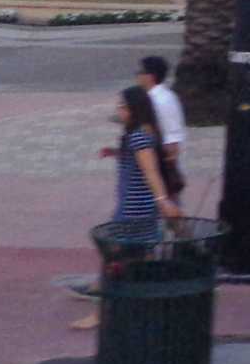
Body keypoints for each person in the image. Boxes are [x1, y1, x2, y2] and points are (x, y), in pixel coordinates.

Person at [73, 86, 182, 330]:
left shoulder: (139, 136)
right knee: (139, 258)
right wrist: (116, 153)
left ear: (134, 109)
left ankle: (102, 313)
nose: (118, 111)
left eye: (122, 106)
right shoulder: (143, 133)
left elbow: (150, 171)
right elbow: (143, 162)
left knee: (115, 259)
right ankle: (151, 306)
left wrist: (163, 200)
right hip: (138, 208)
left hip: (134, 209)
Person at [136, 55, 187, 198]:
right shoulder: (152, 98)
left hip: (160, 167)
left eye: (140, 72)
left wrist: (168, 171)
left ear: (150, 76)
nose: (137, 75)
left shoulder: (163, 100)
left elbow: (172, 140)